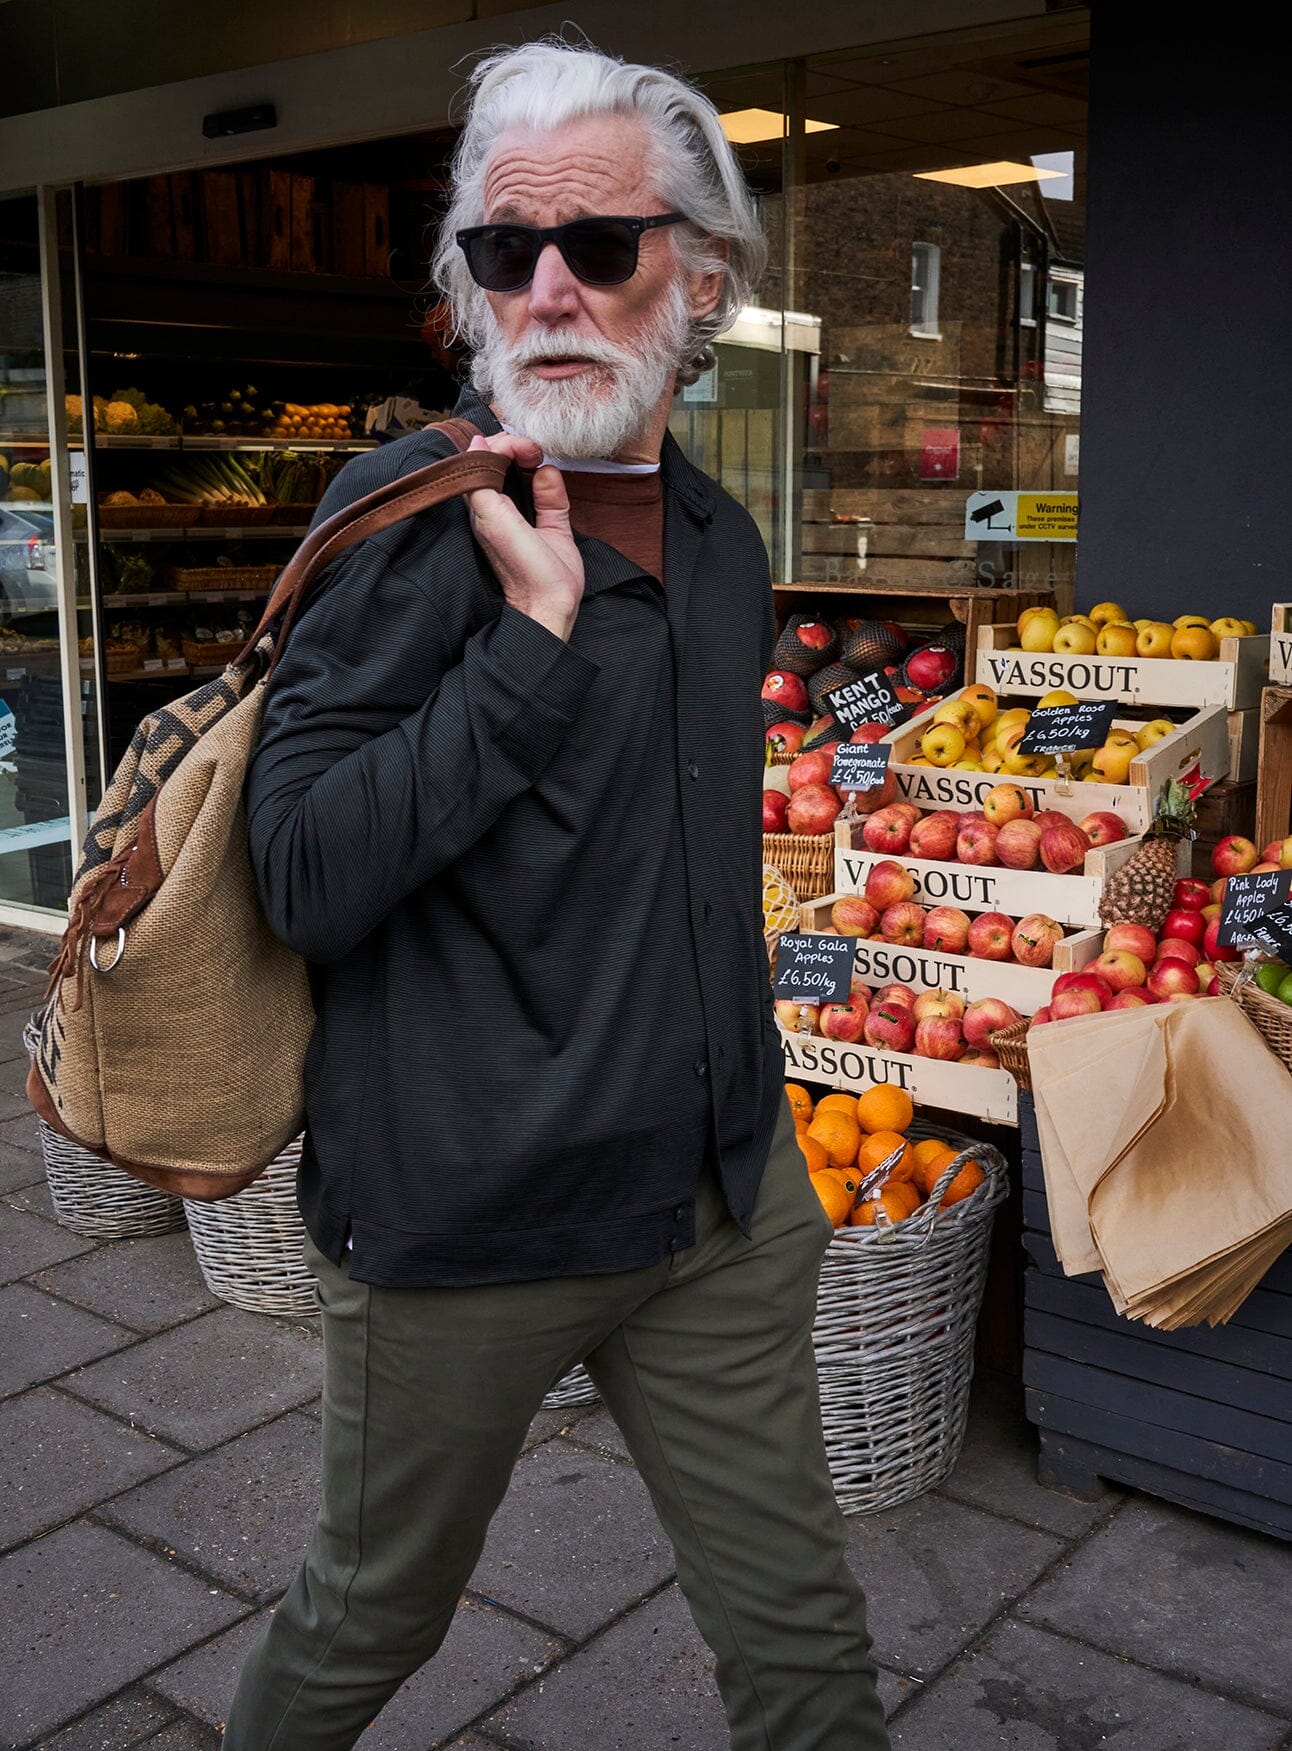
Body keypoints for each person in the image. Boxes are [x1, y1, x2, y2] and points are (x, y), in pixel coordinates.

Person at [223, 37, 890, 1751]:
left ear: (701, 274)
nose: (547, 290)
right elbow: (303, 874)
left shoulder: (732, 547)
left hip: (721, 1215)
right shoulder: (406, 517)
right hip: (465, 1226)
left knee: (807, 1646)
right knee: (365, 1623)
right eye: (502, 253)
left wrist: (753, 1128)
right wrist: (529, 644)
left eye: (598, 246)